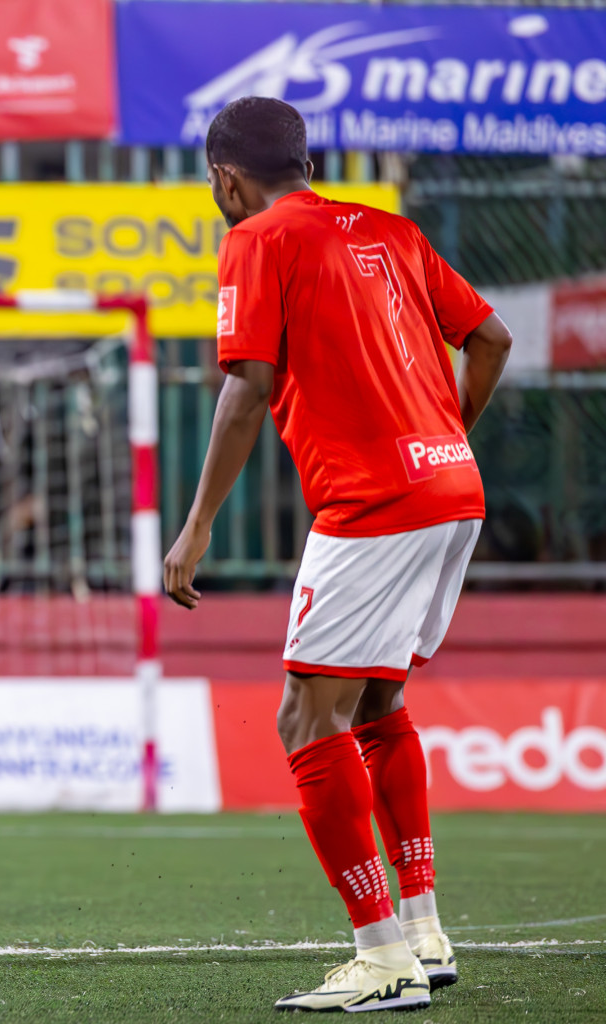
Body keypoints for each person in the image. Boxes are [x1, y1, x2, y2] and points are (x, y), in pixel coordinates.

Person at [163, 97, 511, 1013]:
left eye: (212, 182)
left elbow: (247, 387)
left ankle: (380, 954)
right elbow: (490, 336)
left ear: (227, 178)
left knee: (304, 720)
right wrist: (445, 437)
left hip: (373, 504)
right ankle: (425, 931)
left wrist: (197, 524)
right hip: (451, 489)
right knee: (378, 701)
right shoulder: (390, 230)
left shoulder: (259, 239)